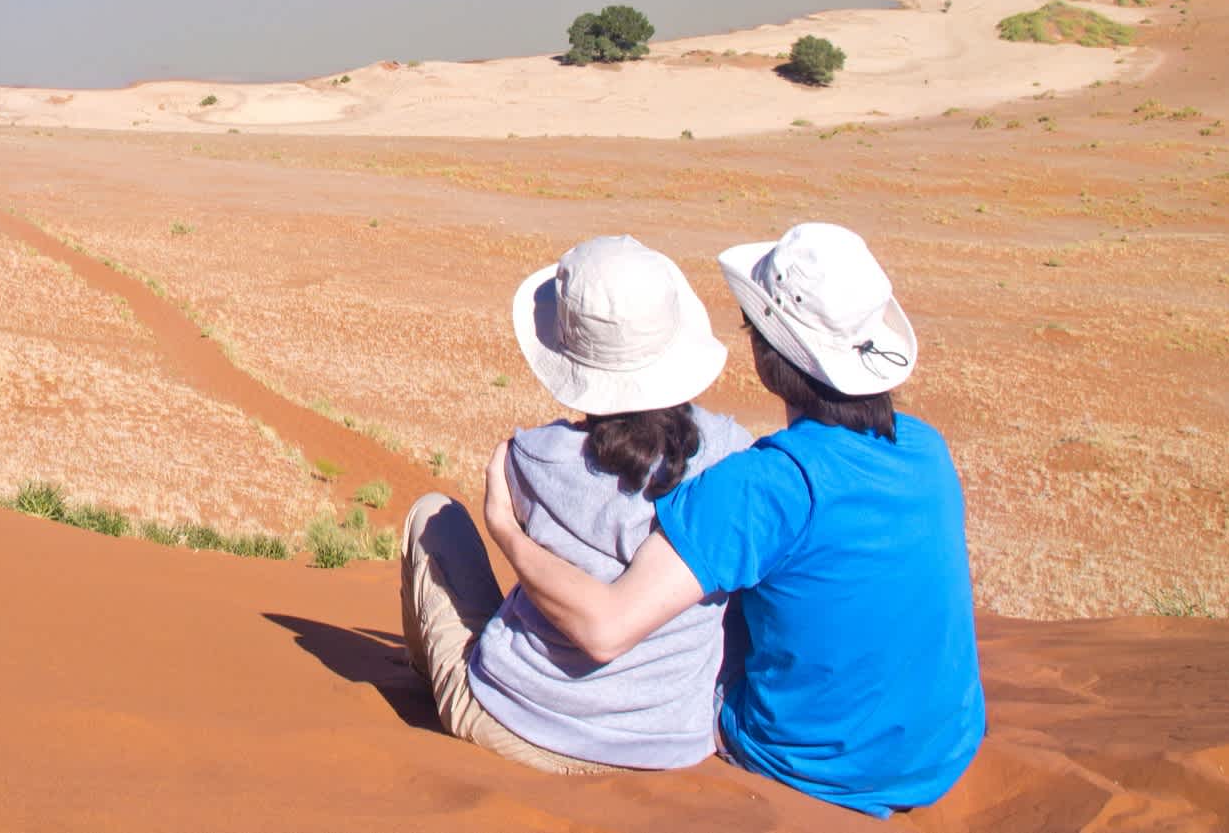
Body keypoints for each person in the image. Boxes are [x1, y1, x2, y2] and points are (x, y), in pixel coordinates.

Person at [483, 222, 985, 815]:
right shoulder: (926, 447)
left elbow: (607, 628)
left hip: (805, 766)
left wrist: (506, 531)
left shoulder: (763, 484)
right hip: (946, 752)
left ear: (767, 358)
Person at [400, 235, 752, 772]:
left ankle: (425, 689)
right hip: (667, 742)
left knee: (432, 515)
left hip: (510, 721)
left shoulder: (526, 459)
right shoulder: (732, 455)